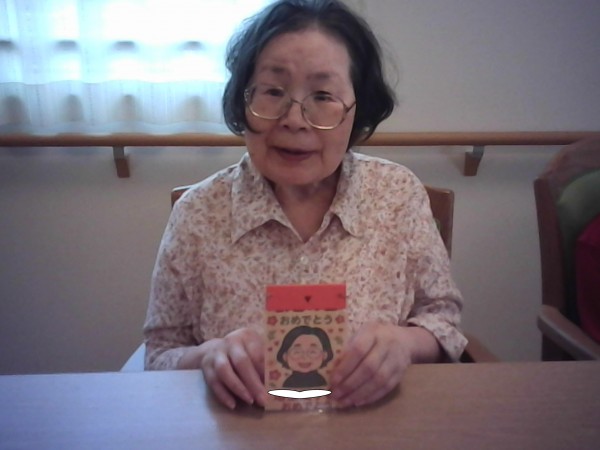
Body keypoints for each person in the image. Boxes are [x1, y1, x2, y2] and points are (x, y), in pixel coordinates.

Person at [143, 0, 467, 410]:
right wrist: (206, 357)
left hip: (373, 431)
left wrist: (406, 344)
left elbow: (443, 321)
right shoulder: (198, 212)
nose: (294, 120)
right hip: (242, 432)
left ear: (357, 110)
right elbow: (159, 354)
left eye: (323, 95)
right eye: (273, 91)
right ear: (242, 100)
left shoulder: (398, 195)